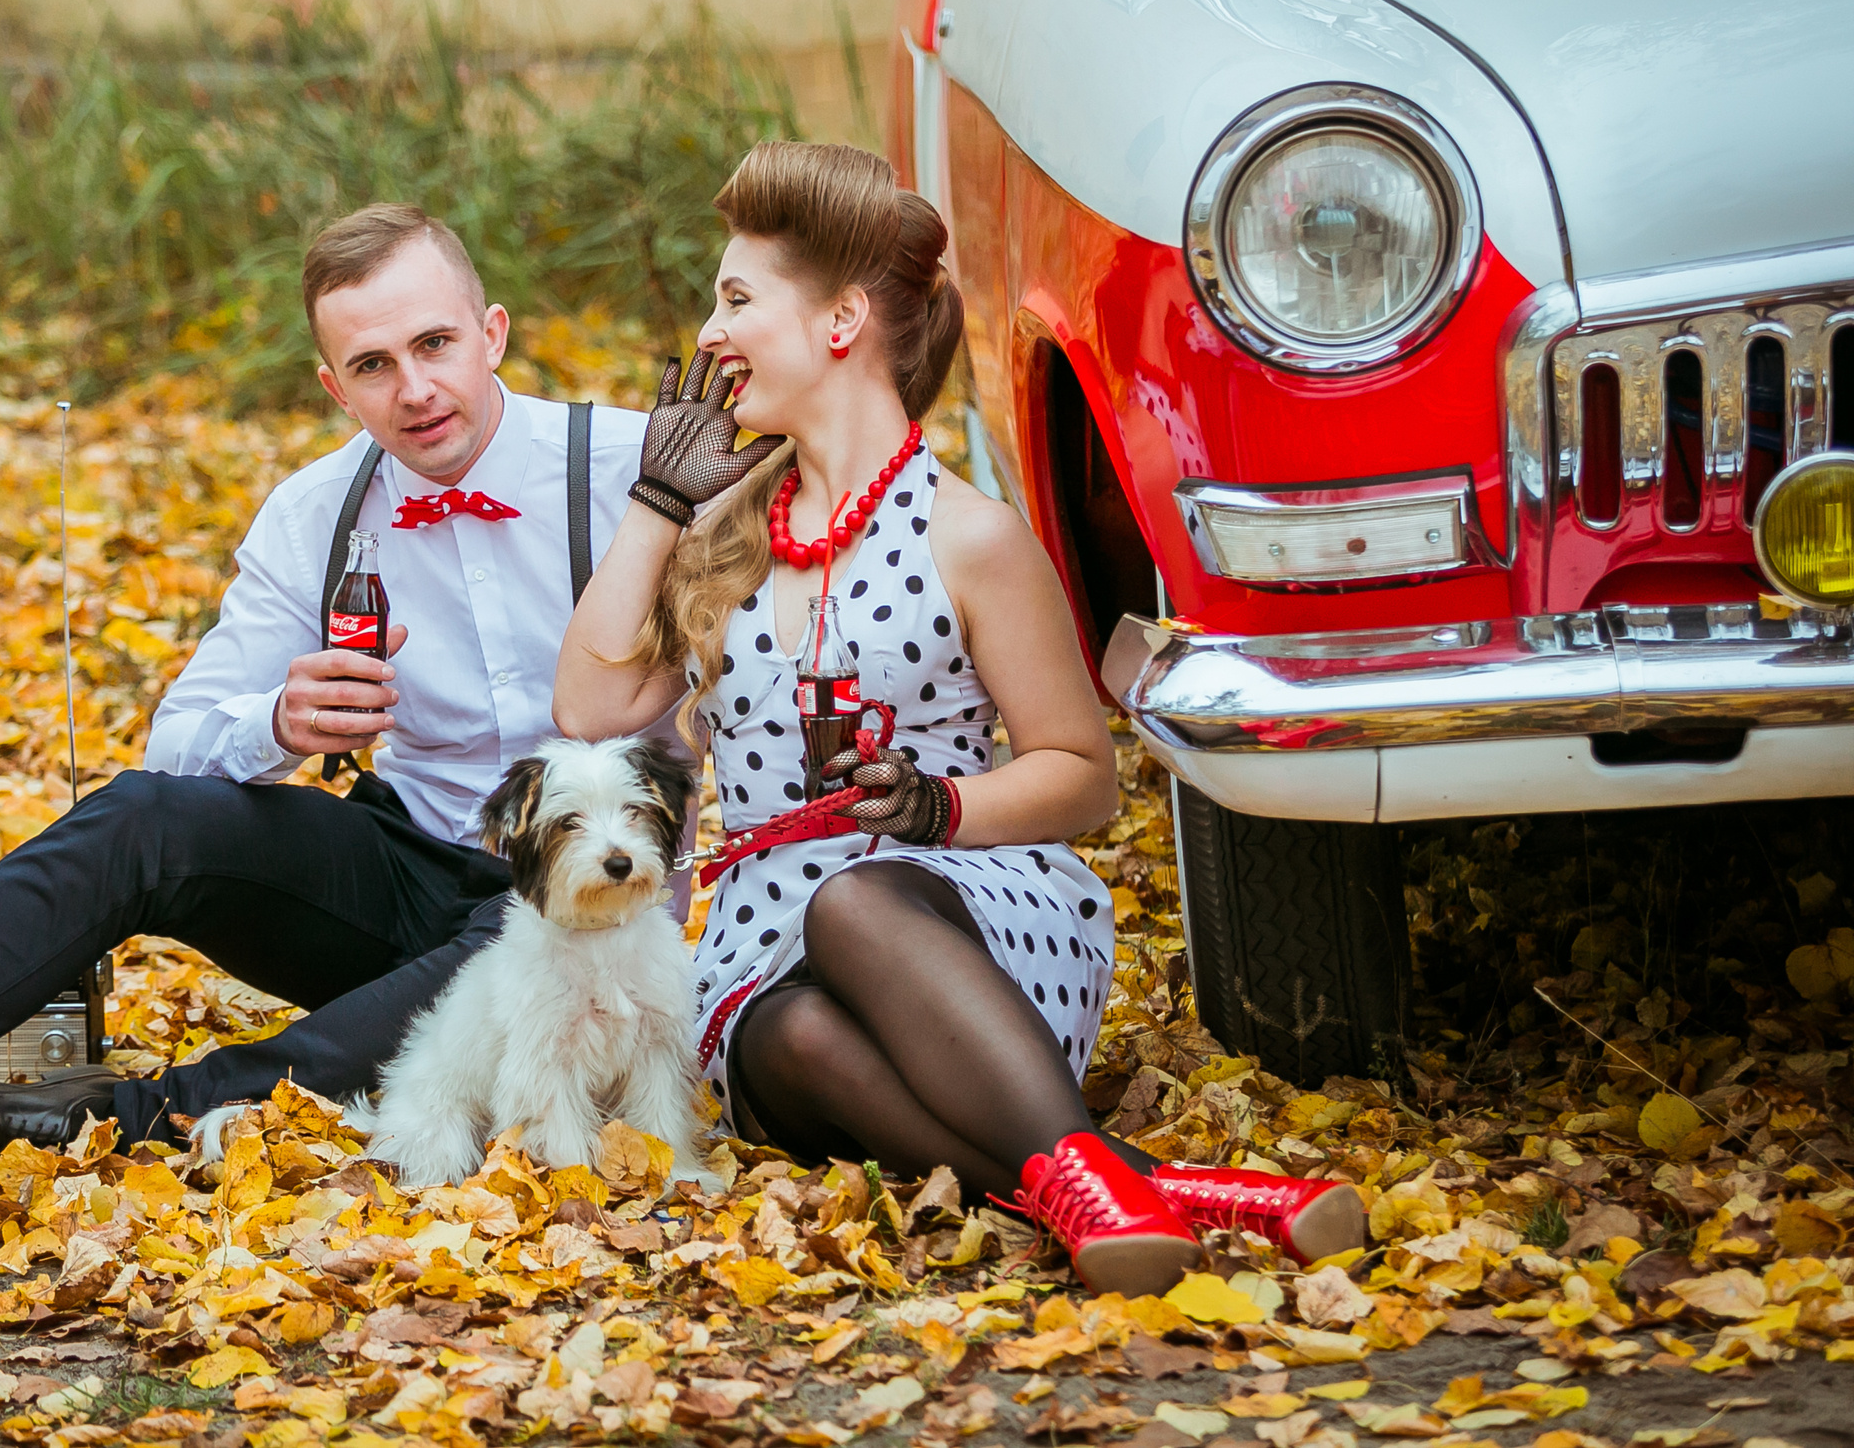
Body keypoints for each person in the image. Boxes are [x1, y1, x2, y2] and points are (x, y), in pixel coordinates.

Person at [0, 205, 654, 1268]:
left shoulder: (629, 470)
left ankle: (97, 1122)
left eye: (434, 344)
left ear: (493, 332)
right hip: (405, 871)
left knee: (488, 965)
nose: (413, 388)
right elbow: (174, 739)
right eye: (372, 364)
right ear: (334, 385)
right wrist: (276, 720)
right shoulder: (315, 513)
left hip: (601, 895)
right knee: (141, 820)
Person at [556, 142, 1362, 1296]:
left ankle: (1110, 1188)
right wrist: (656, 503)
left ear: (840, 321)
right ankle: (1160, 1190)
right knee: (783, 1039)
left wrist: (939, 803)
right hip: (763, 941)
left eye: (737, 300)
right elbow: (588, 708)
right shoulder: (724, 533)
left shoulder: (969, 533)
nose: (710, 332)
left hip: (964, 915)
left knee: (856, 896)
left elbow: (1083, 775)